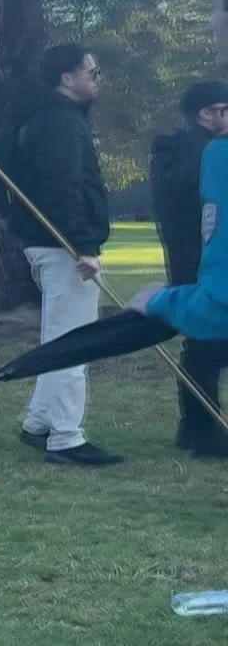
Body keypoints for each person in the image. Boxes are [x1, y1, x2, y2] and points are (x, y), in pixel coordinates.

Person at [7, 44, 121, 467]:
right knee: (72, 342)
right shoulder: (58, 121)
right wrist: (85, 246)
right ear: (66, 78)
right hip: (64, 248)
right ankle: (66, 438)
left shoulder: (48, 118)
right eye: (91, 70)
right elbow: (64, 189)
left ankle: (39, 422)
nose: (96, 77)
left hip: (53, 244)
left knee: (59, 335)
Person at [144, 80, 228, 459]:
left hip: (192, 259)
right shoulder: (201, 151)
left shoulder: (175, 149)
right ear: (205, 113)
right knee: (207, 346)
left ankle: (195, 427)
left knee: (203, 345)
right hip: (205, 261)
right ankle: (203, 430)